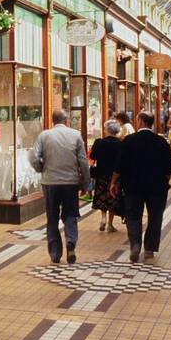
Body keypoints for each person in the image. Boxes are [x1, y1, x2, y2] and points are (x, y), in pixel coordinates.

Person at [31, 109, 90, 265]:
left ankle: (55, 253)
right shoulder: (75, 135)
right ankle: (71, 242)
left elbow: (34, 157)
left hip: (50, 182)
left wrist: (40, 168)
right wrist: (86, 181)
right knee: (71, 214)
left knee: (52, 217)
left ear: (52, 120)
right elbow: (83, 161)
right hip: (70, 183)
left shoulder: (44, 135)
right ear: (66, 120)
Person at [115, 112, 171, 263]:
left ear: (140, 121)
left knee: (133, 216)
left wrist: (114, 182)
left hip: (133, 186)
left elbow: (120, 165)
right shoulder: (161, 142)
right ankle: (149, 249)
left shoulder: (129, 141)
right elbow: (169, 167)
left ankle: (135, 244)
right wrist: (164, 181)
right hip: (157, 187)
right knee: (155, 216)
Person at [90, 121, 123, 233]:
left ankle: (103, 218)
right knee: (112, 198)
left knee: (102, 196)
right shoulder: (120, 143)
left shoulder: (99, 142)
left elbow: (93, 156)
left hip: (101, 174)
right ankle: (110, 224)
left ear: (107, 130)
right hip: (115, 176)